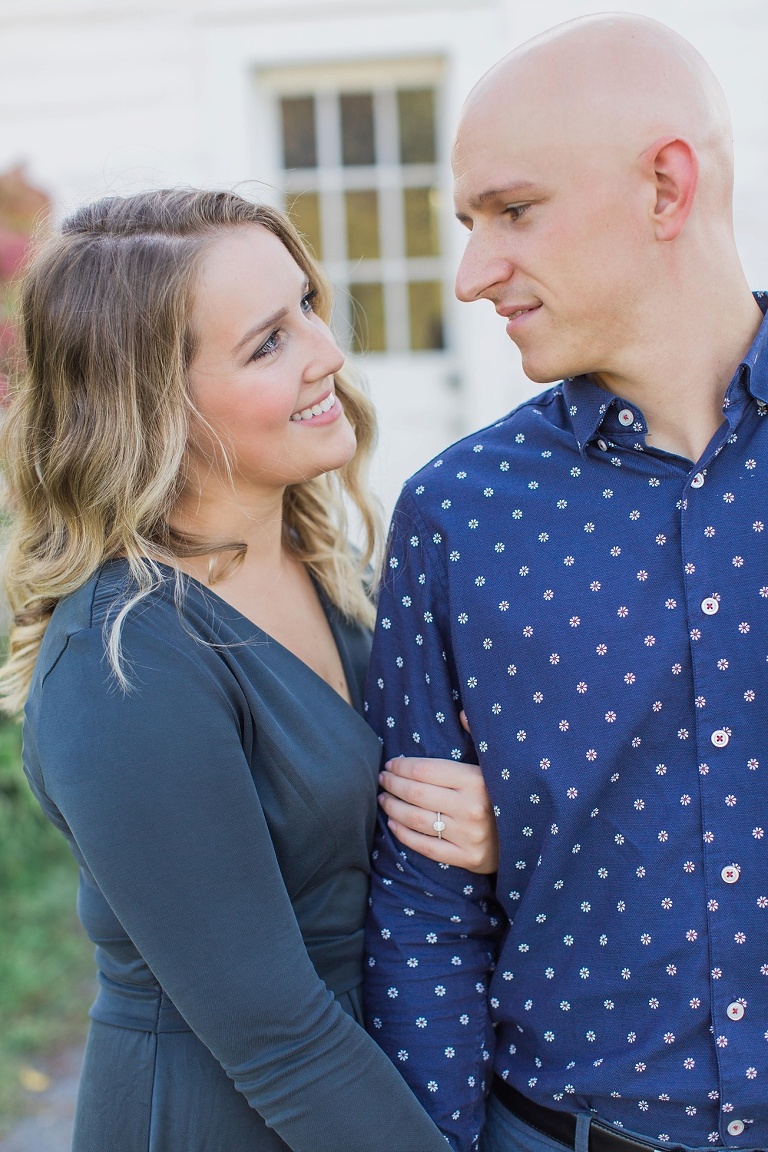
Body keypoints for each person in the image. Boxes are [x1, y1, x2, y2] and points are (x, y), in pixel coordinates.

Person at [0, 188, 498, 1152]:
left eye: (307, 305)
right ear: (153, 405)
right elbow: (276, 1036)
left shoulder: (324, 563)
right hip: (229, 1116)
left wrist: (485, 826)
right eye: (269, 342)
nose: (328, 352)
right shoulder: (128, 663)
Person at [364, 12, 768, 1152]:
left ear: (666, 188)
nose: (474, 270)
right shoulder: (458, 515)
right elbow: (425, 919)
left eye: (514, 210)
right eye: (469, 223)